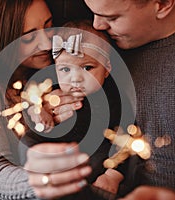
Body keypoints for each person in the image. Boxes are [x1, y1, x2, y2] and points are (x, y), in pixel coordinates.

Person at [24, 0, 175, 199]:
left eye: (112, 17)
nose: (97, 26)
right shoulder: (97, 42)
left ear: (163, 4)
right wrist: (41, 113)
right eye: (92, 12)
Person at [0, 0, 83, 199]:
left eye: (48, 26)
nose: (47, 44)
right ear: (0, 36)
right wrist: (43, 179)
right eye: (29, 36)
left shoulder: (44, 79)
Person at [21, 20, 124, 199]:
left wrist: (112, 176)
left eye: (87, 67)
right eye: (65, 69)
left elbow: (125, 139)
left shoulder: (113, 99)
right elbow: (31, 98)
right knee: (27, 141)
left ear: (107, 68)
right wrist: (40, 111)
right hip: (54, 159)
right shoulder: (51, 88)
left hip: (95, 167)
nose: (75, 78)